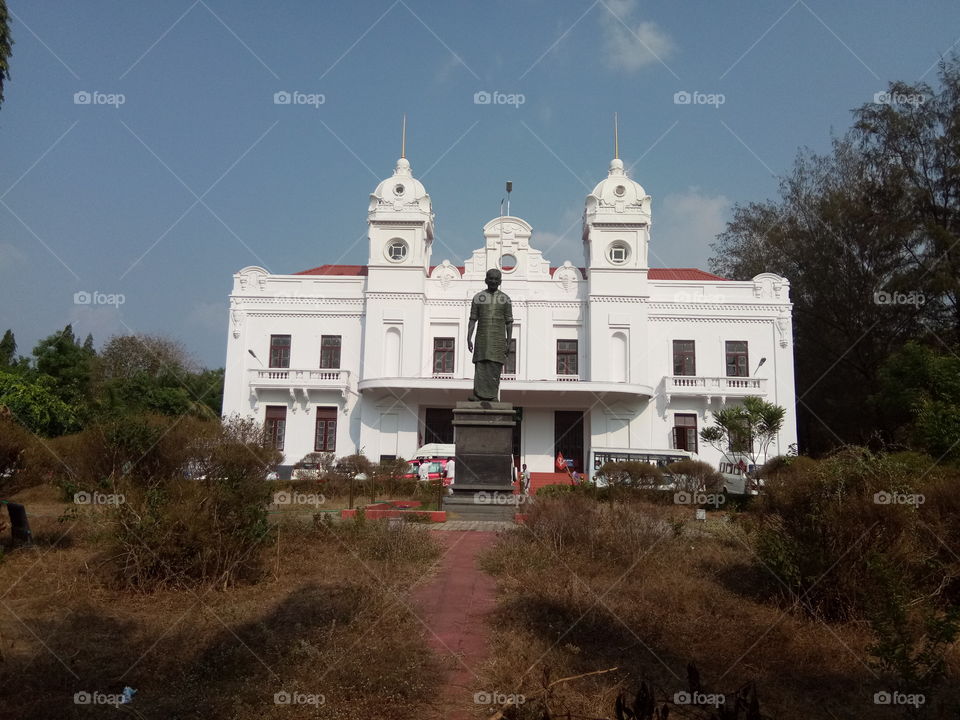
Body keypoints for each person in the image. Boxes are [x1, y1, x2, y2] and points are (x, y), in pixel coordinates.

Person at [466, 268, 513, 401]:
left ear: (500, 281)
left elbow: (509, 322)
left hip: (498, 339)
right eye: (490, 278)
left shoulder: (505, 299)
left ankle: (492, 396)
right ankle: (477, 395)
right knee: (481, 364)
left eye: (496, 279)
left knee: (495, 365)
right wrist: (468, 337)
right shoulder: (478, 298)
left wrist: (508, 342)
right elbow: (472, 319)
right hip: (482, 337)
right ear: (486, 280)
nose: (493, 281)